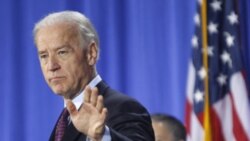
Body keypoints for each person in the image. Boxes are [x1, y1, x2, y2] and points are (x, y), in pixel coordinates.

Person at [33, 11, 155, 141]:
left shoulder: (122, 107)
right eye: (44, 56)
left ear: (91, 53)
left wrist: (102, 136)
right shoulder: (65, 119)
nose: (51, 66)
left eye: (62, 52)